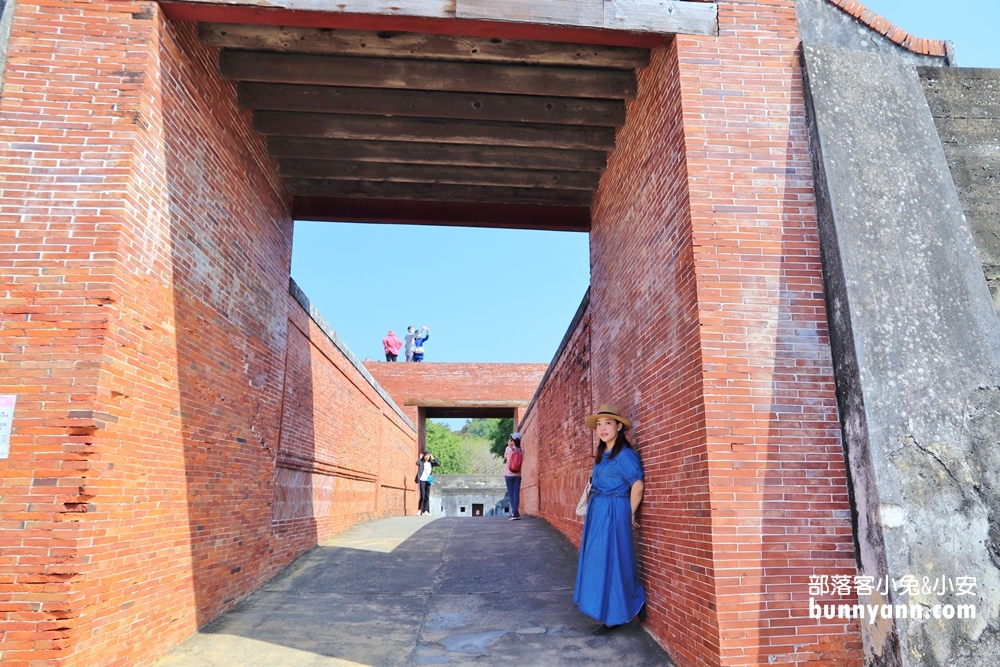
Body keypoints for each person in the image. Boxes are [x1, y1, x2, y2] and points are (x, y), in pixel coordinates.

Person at [573, 404, 645, 635]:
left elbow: (637, 485)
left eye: (608, 423)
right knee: (599, 562)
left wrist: (629, 513)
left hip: (615, 513)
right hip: (599, 514)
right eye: (599, 424)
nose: (602, 428)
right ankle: (609, 610)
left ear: (619, 427)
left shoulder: (624, 455)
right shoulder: (602, 455)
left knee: (614, 562)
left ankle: (623, 609)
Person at [504, 432, 523, 520]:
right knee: (516, 494)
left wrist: (509, 445)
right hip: (518, 474)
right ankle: (515, 512)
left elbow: (505, 457)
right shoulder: (522, 450)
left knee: (511, 494)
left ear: (512, 440)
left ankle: (514, 513)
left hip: (509, 474)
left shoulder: (508, 449)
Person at [415, 451, 440, 515]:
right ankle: (419, 510)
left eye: (428, 456)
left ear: (429, 456)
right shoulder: (421, 462)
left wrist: (433, 458)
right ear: (424, 456)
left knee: (427, 496)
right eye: (426, 455)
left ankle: (425, 511)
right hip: (422, 480)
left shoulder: (431, 463)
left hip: (428, 480)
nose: (427, 457)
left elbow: (438, 464)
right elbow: (417, 463)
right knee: (422, 496)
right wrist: (420, 458)